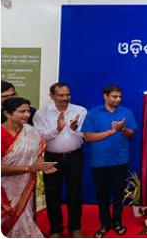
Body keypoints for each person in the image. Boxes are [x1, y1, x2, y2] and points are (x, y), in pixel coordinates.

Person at [81, 85, 137, 238]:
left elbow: (131, 134)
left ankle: (117, 221)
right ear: (105, 96)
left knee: (119, 194)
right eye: (114, 96)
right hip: (99, 161)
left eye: (119, 96)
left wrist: (123, 129)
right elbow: (88, 137)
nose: (117, 99)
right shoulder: (93, 113)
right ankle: (105, 223)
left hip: (120, 160)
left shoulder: (126, 113)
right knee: (102, 194)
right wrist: (111, 131)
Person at [33, 82, 87, 238]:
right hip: (52, 158)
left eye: (67, 94)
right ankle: (56, 229)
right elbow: (39, 138)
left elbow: (87, 135)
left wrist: (74, 127)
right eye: (60, 95)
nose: (65, 98)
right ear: (52, 96)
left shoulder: (80, 110)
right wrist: (57, 129)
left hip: (74, 156)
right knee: (52, 193)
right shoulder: (41, 114)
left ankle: (75, 228)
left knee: (75, 192)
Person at [1, 97, 57, 237]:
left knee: (24, 216)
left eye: (28, 111)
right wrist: (28, 168)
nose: (27, 115)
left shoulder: (31, 132)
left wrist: (40, 165)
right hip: (3, 188)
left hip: (26, 184)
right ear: (7, 114)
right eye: (21, 111)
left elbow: (38, 151)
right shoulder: (1, 134)